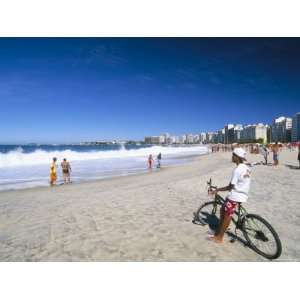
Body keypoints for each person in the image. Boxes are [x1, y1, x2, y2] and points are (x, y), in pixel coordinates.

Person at [209, 148, 251, 244]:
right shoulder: (246, 167)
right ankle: (219, 230)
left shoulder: (237, 170)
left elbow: (230, 187)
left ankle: (219, 237)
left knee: (228, 215)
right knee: (222, 210)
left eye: (233, 155)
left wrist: (217, 190)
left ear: (237, 157)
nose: (232, 157)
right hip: (243, 194)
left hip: (236, 196)